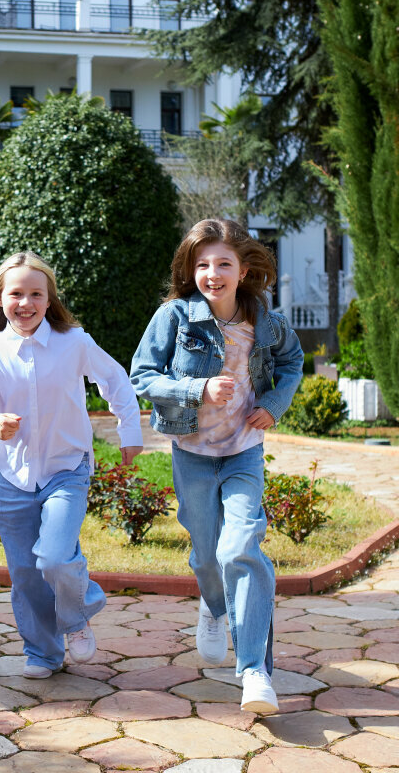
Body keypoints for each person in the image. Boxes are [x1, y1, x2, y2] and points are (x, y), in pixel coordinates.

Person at [130, 218, 303, 714]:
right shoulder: (175, 316)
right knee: (207, 557)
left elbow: (291, 361)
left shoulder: (264, 320)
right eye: (202, 264)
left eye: (223, 263)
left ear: (243, 270)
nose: (212, 273)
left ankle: (254, 671)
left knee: (240, 548)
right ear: (190, 271)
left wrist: (274, 404)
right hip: (192, 452)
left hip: (244, 450)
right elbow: (141, 375)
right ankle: (213, 604)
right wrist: (196, 389)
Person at [0, 250, 142, 678]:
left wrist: (130, 432)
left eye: (36, 294)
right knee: (26, 574)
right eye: (16, 294)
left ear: (49, 299)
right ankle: (43, 653)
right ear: (0, 298)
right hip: (14, 477)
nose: (25, 303)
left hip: (66, 469)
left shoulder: (73, 342)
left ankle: (77, 614)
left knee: (55, 559)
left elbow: (114, 379)